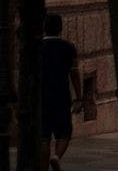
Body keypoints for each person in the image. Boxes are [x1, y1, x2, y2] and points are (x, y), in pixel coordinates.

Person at [40, 13, 82, 171]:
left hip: (42, 98)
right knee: (64, 132)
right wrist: (79, 97)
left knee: (43, 136)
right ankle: (56, 156)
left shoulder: (38, 48)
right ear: (60, 28)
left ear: (44, 28)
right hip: (62, 96)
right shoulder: (68, 48)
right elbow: (74, 73)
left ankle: (44, 167)